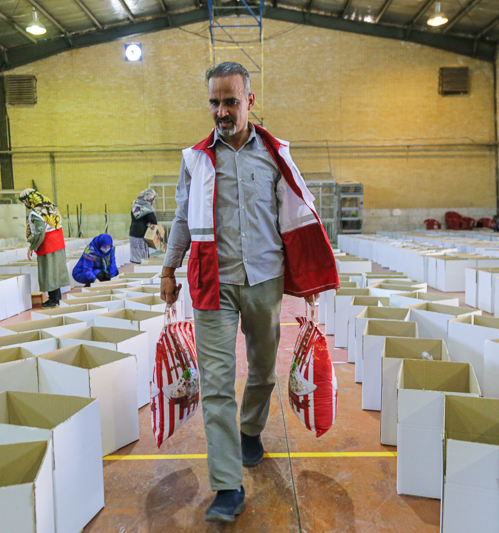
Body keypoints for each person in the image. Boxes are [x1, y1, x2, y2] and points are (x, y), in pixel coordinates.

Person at [160, 62, 339, 522]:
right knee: (217, 383)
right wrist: (168, 269)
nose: (221, 111)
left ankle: (251, 429)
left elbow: (297, 216)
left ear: (250, 101)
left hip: (264, 280)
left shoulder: (275, 155)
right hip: (212, 282)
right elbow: (181, 217)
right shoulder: (195, 159)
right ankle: (226, 485)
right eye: (214, 102)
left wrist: (310, 280)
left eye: (230, 102)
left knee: (262, 371)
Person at [18, 189, 70, 308]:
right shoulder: (52, 207)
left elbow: (39, 233)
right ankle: (56, 298)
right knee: (56, 272)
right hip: (58, 243)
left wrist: (32, 246)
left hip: (47, 245)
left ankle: (53, 300)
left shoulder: (37, 213)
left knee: (49, 272)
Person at [129, 189, 158, 264]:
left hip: (132, 232)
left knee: (136, 256)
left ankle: (137, 268)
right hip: (141, 233)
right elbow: (153, 221)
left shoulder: (135, 205)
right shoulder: (146, 207)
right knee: (143, 258)